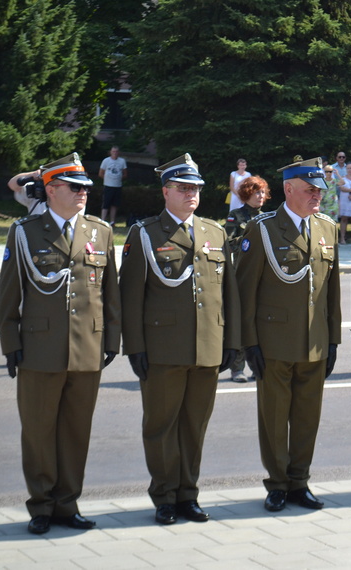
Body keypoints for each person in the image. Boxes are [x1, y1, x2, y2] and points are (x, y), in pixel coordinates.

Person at [0, 152, 121, 534]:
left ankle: (67, 505)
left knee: (75, 431)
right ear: (51, 190)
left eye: (86, 187)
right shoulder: (25, 231)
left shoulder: (100, 232)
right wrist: (10, 344)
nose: (84, 193)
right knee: (38, 432)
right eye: (75, 187)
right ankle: (41, 505)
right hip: (39, 349)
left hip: (87, 348)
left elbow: (110, 292)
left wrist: (112, 339)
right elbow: (8, 295)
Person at [119, 153, 240, 525]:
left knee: (194, 425)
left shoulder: (214, 232)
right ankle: (164, 496)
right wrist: (135, 347)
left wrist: (232, 343)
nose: (191, 194)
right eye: (183, 188)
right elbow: (130, 297)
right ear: (165, 191)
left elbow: (229, 292)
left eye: (196, 188)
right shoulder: (145, 233)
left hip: (206, 346)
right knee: (161, 426)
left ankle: (188, 494)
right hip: (162, 350)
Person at [236, 156, 341, 512]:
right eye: (310, 190)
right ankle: (277, 483)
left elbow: (332, 291)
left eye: (320, 190)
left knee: (308, 417)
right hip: (274, 341)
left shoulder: (327, 228)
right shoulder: (262, 229)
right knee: (275, 417)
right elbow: (245, 291)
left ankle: (300, 482)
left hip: (314, 340)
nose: (317, 196)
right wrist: (249, 343)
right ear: (289, 189)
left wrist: (333, 340)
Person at [224, 175, 270, 382]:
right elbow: (228, 244)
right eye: (256, 192)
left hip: (263, 276)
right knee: (242, 321)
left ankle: (258, 365)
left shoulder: (269, 217)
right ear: (246, 194)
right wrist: (248, 239)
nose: (260, 196)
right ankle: (237, 368)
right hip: (241, 275)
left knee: (261, 322)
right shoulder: (236, 216)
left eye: (262, 192)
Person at [98, 146, 127, 225]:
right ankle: (103, 220)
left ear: (119, 153)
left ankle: (112, 221)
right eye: (113, 151)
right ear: (110, 152)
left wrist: (118, 179)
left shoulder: (122, 161)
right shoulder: (106, 161)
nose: (115, 153)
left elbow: (125, 173)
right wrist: (108, 179)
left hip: (117, 186)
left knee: (115, 204)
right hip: (108, 185)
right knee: (106, 203)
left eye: (116, 151)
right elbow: (101, 173)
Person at [338, 162, 351, 244]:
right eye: (348, 168)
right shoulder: (342, 178)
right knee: (344, 219)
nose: (349, 170)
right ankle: (342, 238)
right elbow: (342, 188)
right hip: (344, 200)